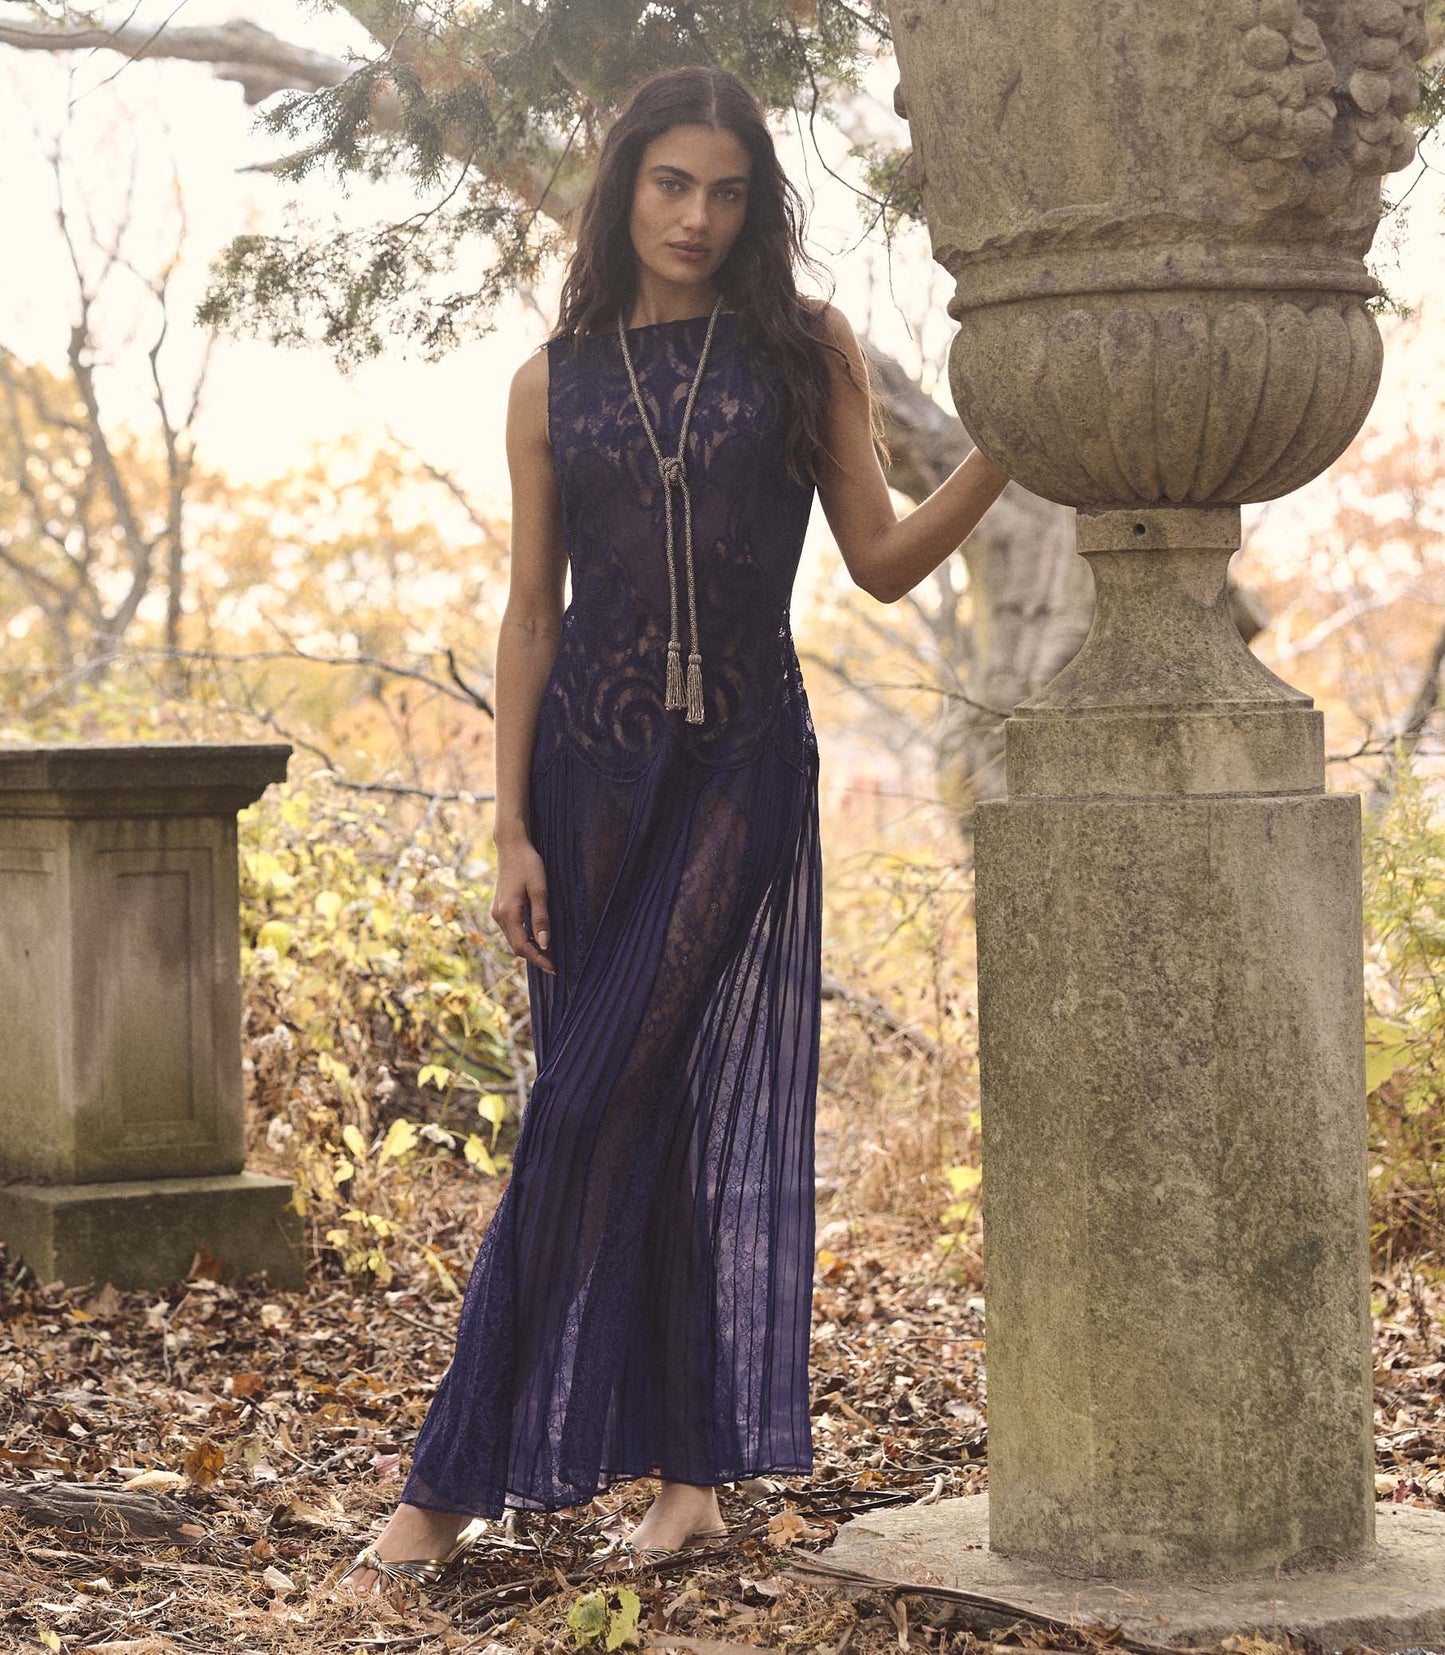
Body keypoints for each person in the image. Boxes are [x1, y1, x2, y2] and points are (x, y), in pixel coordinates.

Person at [340, 63, 1008, 1596]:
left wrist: (1006, 451)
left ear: (752, 205)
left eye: (725, 191)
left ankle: (443, 1489)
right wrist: (502, 823)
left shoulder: (800, 349)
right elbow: (527, 614)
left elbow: (885, 560)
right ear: (621, 187)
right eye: (670, 186)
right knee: (629, 1112)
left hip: (736, 773)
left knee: (581, 1109)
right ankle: (692, 1482)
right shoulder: (548, 379)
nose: (697, 217)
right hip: (579, 778)